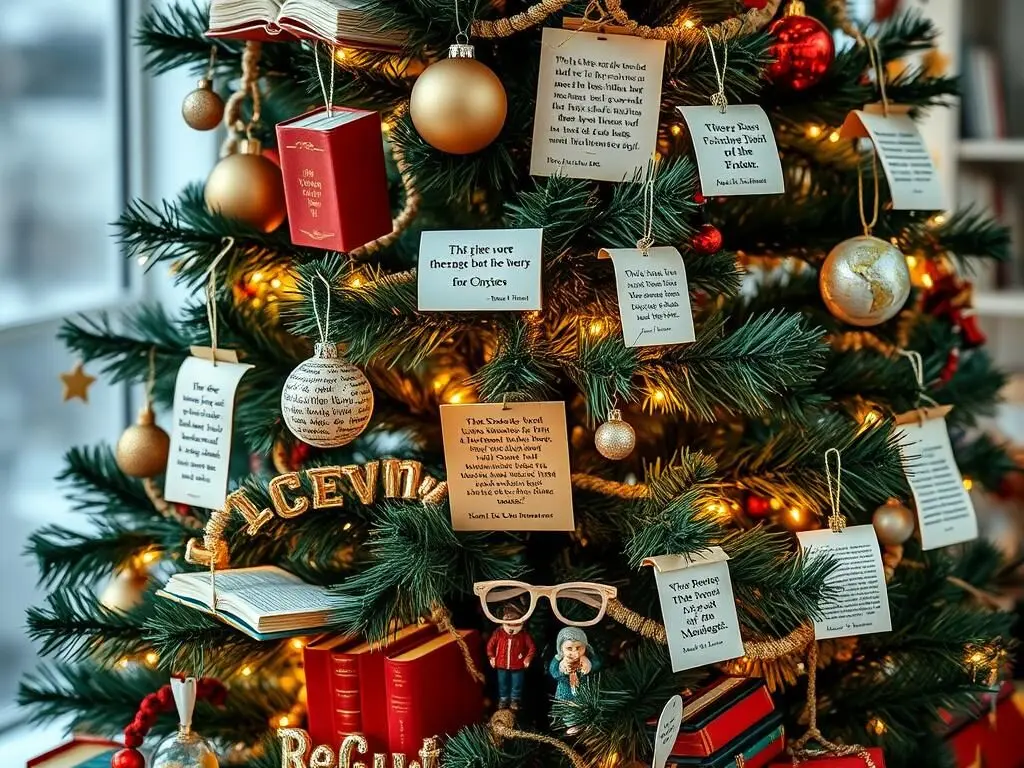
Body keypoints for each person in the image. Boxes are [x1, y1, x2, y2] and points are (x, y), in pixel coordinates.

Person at [548, 626, 601, 733]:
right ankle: (572, 724)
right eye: (569, 648)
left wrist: (589, 665)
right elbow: (553, 671)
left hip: (585, 690)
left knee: (586, 706)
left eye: (578, 648)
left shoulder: (587, 657)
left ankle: (587, 723)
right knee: (569, 709)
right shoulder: (559, 660)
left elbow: (597, 664)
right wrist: (562, 670)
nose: (574, 652)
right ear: (561, 648)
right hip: (566, 691)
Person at [485, 605, 536, 710]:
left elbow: (531, 648)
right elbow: (490, 645)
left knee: (517, 682)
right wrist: (491, 657)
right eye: (509, 625)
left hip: (518, 664)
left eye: (516, 625)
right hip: (501, 664)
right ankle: (503, 699)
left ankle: (515, 699)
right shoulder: (498, 634)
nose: (512, 629)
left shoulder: (523, 636)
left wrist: (527, 658)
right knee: (502, 683)